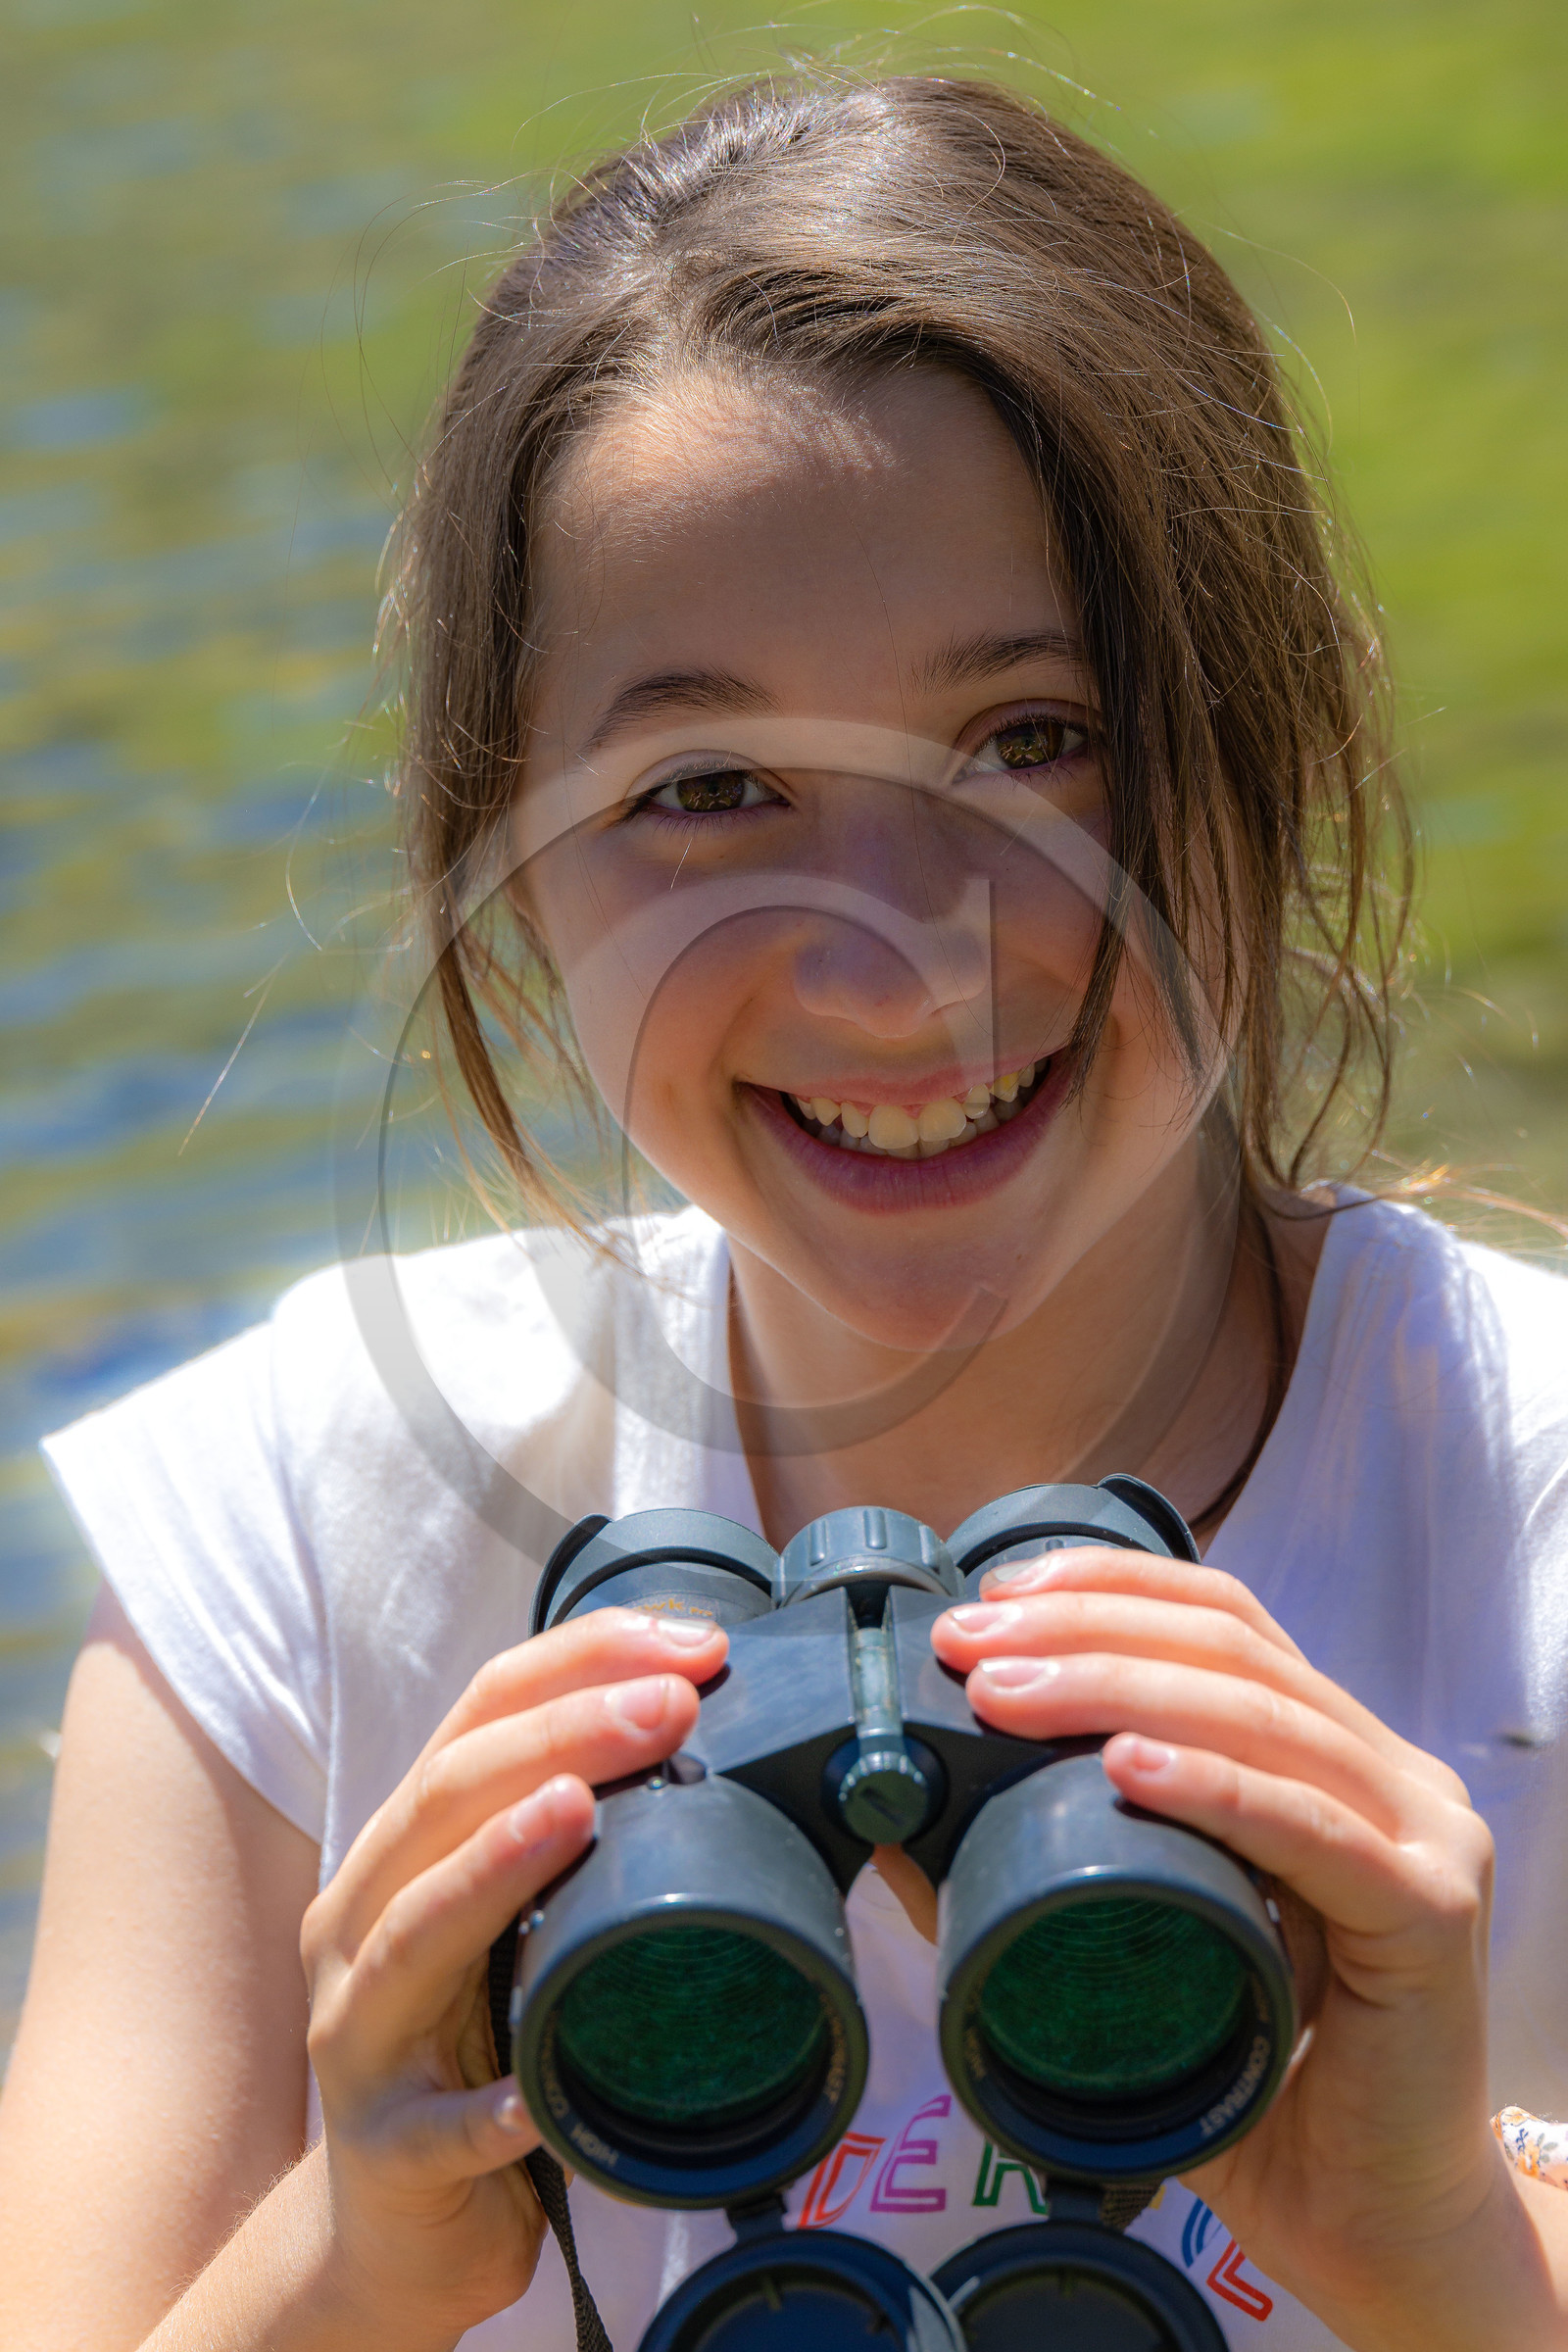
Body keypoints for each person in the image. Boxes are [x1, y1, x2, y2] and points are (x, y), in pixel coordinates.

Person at [3, 74, 1566, 2352]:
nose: (891, 953)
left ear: (1262, 745)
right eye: (705, 790)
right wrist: (349, 2266)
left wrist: (1450, 2252)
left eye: (1034, 738)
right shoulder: (297, 1540)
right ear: (512, 875)